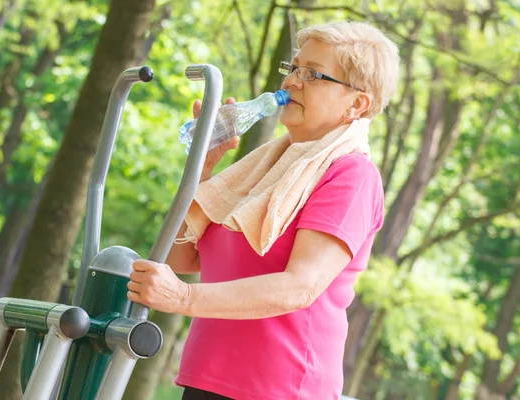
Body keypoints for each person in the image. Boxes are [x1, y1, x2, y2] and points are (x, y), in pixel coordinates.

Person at [127, 21, 400, 400]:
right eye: (294, 68)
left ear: (357, 104)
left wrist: (184, 299)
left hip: (281, 386)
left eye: (313, 74)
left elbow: (299, 287)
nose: (292, 82)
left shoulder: (352, 175)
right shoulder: (264, 168)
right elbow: (179, 257)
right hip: (208, 376)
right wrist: (200, 171)